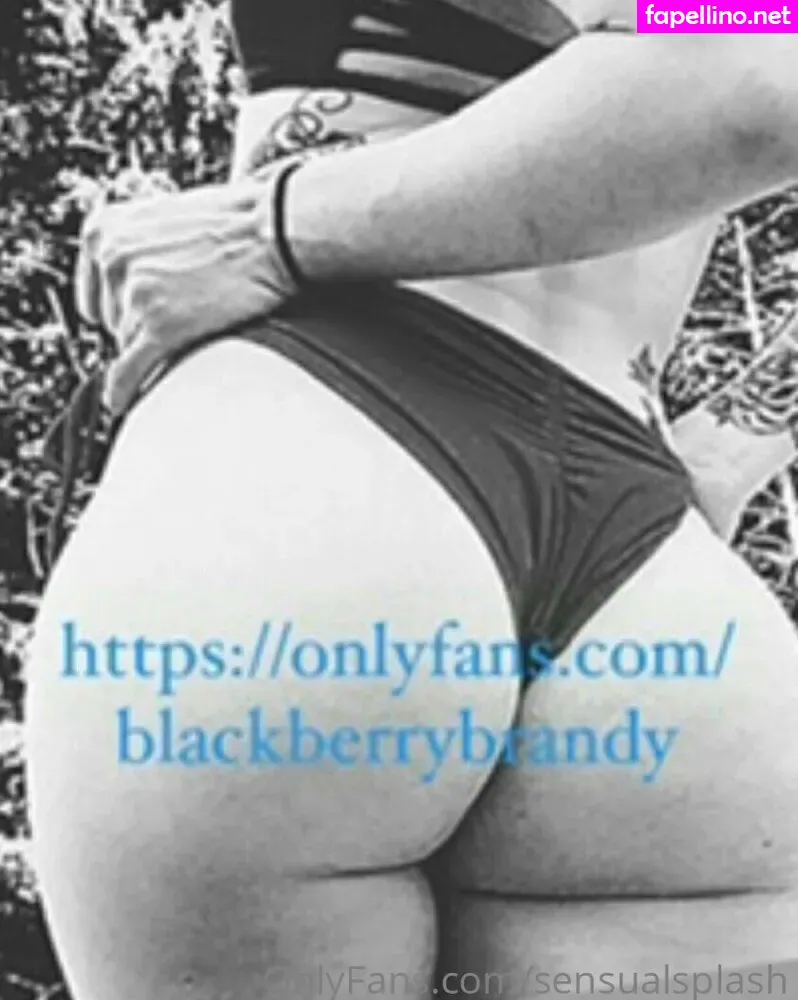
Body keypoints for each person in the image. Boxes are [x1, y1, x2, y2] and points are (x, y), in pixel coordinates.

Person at [24, 3, 798, 999]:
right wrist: (733, 449)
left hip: (331, 458)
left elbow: (752, 71)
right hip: (657, 611)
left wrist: (266, 232)